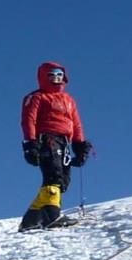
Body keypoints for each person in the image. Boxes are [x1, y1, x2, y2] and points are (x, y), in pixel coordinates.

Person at [19, 61, 94, 231]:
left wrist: (80, 145)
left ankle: (31, 220)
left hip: (65, 141)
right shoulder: (36, 97)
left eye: (59, 75)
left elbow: (76, 123)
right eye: (51, 75)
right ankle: (52, 217)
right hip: (46, 138)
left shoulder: (68, 99)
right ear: (43, 77)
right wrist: (30, 143)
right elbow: (29, 119)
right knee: (54, 176)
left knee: (63, 182)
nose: (56, 78)